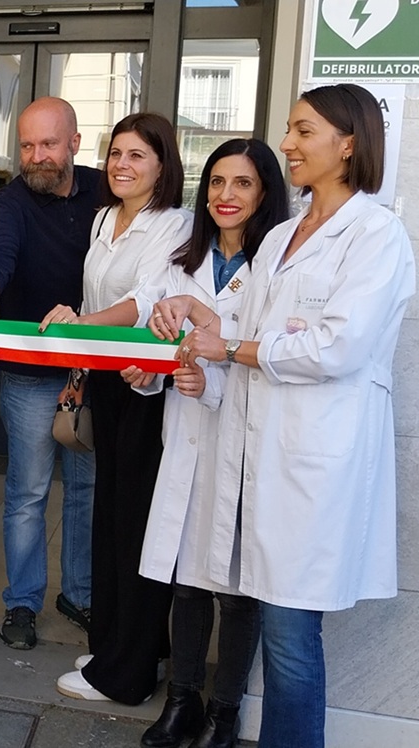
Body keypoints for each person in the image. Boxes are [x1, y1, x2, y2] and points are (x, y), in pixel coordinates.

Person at [157, 84, 414, 748]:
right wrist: (203, 332)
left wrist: (229, 347)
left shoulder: (376, 235)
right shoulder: (277, 239)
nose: (288, 144)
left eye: (303, 131)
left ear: (348, 143)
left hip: (317, 467)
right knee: (274, 627)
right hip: (261, 459)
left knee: (292, 638)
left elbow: (336, 348)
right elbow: (248, 339)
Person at [131, 139, 288, 748]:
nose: (226, 195)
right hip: (187, 437)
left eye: (243, 183)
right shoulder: (181, 263)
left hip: (244, 443)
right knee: (188, 577)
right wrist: (148, 374)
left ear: (265, 192)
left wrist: (212, 379)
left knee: (238, 590)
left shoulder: (275, 269)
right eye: (217, 182)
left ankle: (226, 712)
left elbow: (270, 358)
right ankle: (183, 702)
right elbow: (156, 343)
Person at [44, 112, 192, 704]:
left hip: (145, 387)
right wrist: (81, 350)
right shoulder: (105, 217)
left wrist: (82, 325)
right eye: (116, 154)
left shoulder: (175, 223)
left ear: (162, 165)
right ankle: (120, 645)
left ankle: (127, 674)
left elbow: (144, 301)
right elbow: (94, 295)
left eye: (137, 155)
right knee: (109, 515)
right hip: (106, 380)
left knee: (135, 524)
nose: (122, 165)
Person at [0, 97, 100, 651]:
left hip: (91, 371)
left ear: (74, 143)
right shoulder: (11, 201)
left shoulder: (104, 191)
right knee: (27, 493)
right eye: (27, 145)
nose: (36, 156)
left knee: (86, 489)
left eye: (48, 144)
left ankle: (80, 595)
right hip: (30, 372)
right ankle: (22, 601)